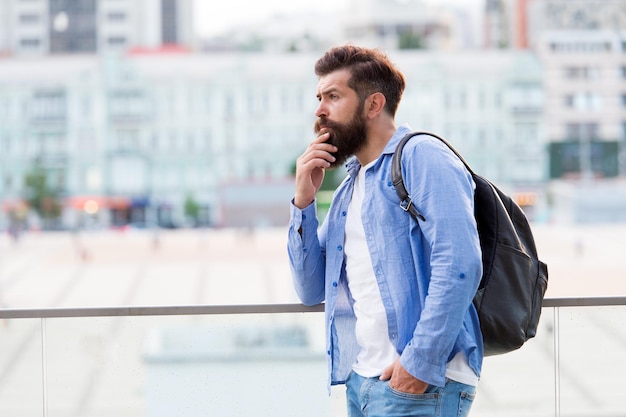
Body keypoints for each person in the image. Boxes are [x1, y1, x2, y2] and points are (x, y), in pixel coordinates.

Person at [287, 44, 484, 417]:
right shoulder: (350, 187)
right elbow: (310, 288)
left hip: (421, 385)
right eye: (319, 97)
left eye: (333, 96)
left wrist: (419, 364)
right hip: (362, 382)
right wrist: (303, 200)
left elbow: (460, 263)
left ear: (373, 105)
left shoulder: (422, 156)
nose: (319, 110)